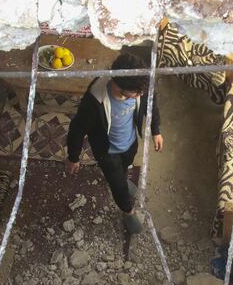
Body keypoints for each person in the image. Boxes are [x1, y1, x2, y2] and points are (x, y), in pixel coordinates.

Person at [65, 53, 163, 234]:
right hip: (107, 151)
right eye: (137, 94)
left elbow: (152, 104)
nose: (141, 95)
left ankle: (123, 180)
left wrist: (156, 131)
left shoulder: (139, 86)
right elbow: (77, 130)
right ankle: (128, 211)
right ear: (119, 86)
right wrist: (73, 157)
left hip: (130, 141)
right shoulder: (95, 100)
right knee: (117, 184)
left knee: (124, 168)